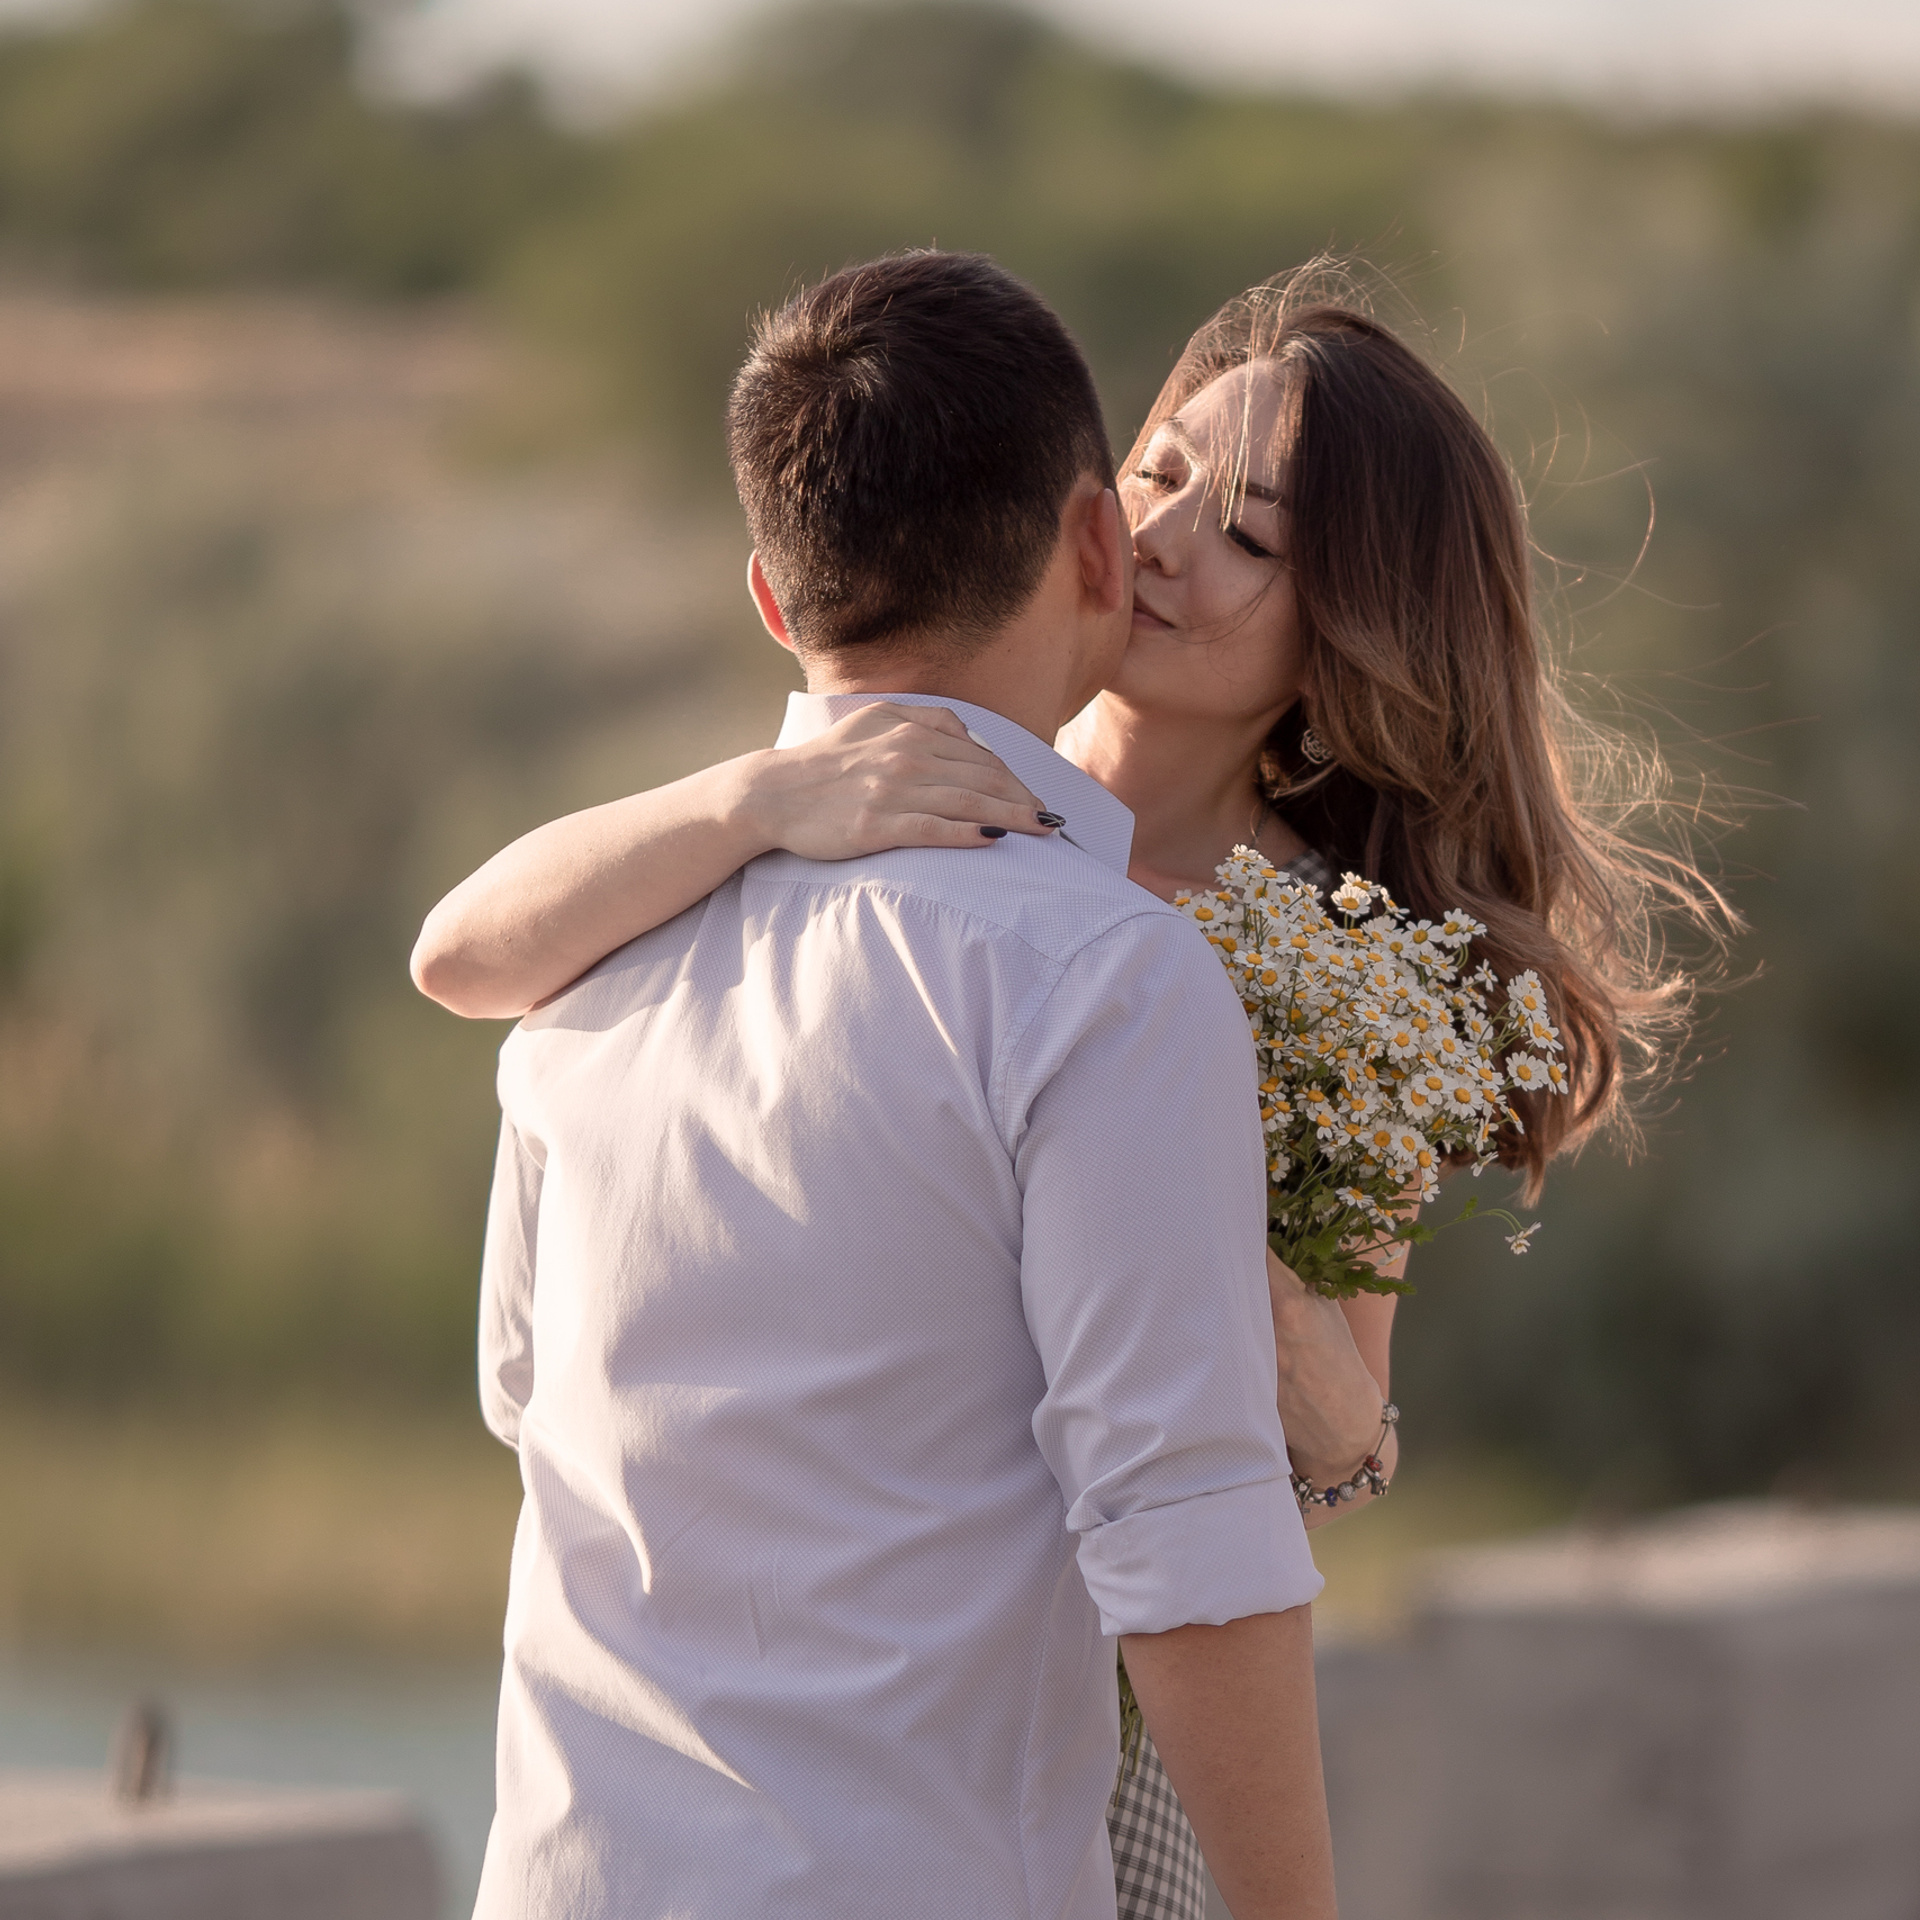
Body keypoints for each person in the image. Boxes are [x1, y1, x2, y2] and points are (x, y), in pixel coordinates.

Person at [420, 258, 1725, 1919]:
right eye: (1163, 474)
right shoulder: (850, 818)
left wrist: (1320, 1405)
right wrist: (759, 797)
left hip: (1086, 1738)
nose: (1175, 544)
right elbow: (469, 961)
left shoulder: (1328, 976)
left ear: (1356, 629)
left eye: (1252, 538)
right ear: (1088, 522)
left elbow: (1263, 1465)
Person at [455, 250, 1339, 1920]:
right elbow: (1185, 1539)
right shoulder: (1108, 979)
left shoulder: (592, 966)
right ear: (1096, 546)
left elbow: (525, 1398)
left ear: (776, 605)